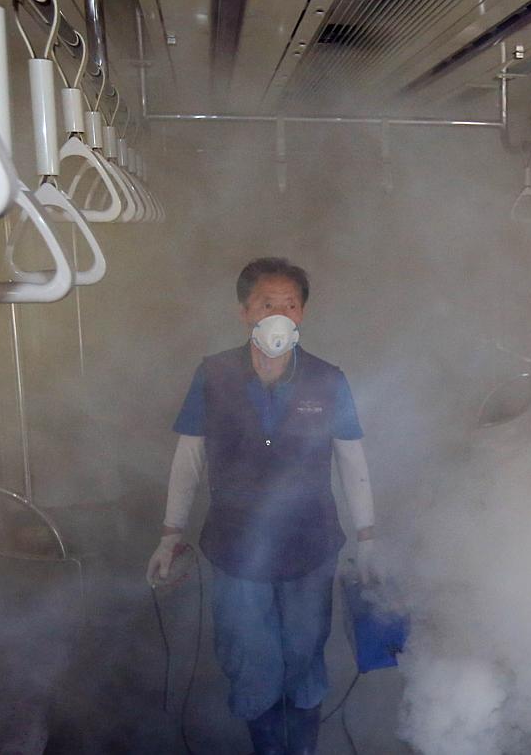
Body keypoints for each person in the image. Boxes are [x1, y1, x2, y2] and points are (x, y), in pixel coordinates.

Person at [146, 257, 379, 755]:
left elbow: (351, 458)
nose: (279, 315)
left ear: (303, 315)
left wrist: (368, 538)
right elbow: (189, 454)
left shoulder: (327, 379)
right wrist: (171, 532)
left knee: (303, 659)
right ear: (244, 313)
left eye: (289, 305)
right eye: (266, 304)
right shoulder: (213, 375)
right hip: (236, 551)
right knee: (252, 664)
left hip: (309, 547)